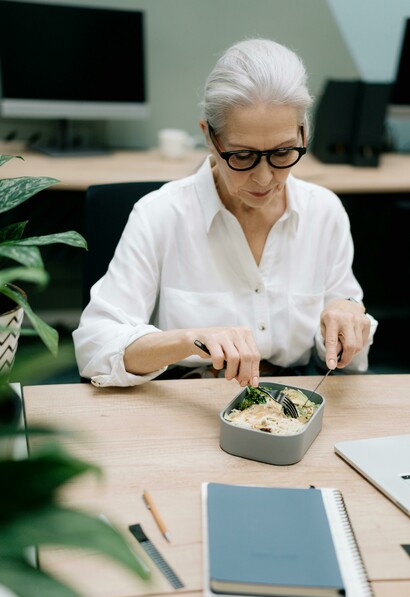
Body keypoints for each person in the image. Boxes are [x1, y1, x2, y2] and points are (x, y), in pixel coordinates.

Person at [73, 38, 377, 388]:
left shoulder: (325, 212)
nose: (264, 178)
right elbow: (95, 346)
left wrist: (349, 313)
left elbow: (345, 343)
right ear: (209, 137)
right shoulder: (160, 215)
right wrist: (188, 341)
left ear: (303, 133)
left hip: (292, 401)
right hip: (187, 398)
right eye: (243, 156)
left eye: (282, 153)